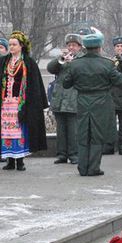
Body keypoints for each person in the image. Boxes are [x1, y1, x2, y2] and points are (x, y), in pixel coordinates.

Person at [60, 29, 122, 176]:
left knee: (83, 135)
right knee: (97, 136)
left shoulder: (75, 64)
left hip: (82, 102)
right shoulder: (107, 64)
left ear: (85, 47)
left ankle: (82, 168)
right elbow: (121, 81)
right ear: (99, 47)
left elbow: (66, 84)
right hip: (101, 103)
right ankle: (93, 168)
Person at [0, 31, 48, 171]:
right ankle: (10, 160)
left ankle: (20, 161)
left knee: (20, 131)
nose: (11, 47)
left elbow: (35, 85)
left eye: (14, 44)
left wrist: (37, 104)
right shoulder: (3, 62)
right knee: (6, 132)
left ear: (21, 46)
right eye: (10, 44)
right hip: (5, 103)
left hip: (20, 103)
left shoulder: (28, 62)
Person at [46, 33, 82, 165]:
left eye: (74, 45)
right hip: (59, 99)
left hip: (73, 99)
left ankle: (74, 155)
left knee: (73, 130)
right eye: (69, 45)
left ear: (79, 47)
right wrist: (60, 59)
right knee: (60, 129)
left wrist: (73, 63)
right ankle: (62, 154)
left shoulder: (81, 59)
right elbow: (50, 68)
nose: (71, 48)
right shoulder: (61, 59)